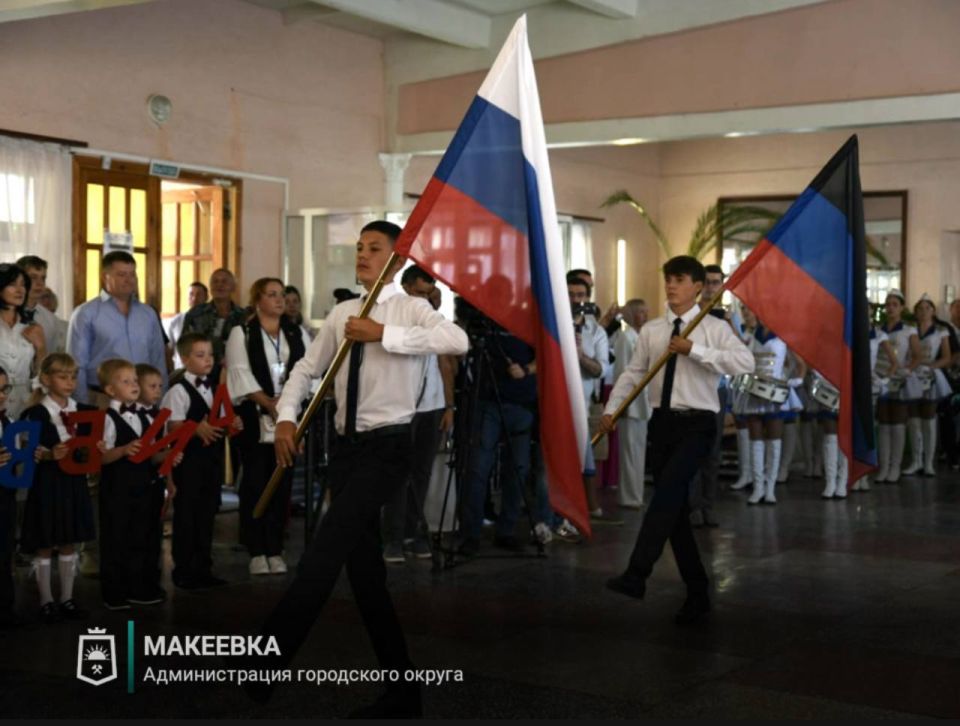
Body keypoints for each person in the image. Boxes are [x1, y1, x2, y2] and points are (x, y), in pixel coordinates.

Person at [246, 221, 468, 716]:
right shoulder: (344, 311)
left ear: (395, 260)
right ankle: (403, 690)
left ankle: (265, 664)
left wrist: (383, 334)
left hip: (390, 448)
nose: (362, 255)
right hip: (345, 451)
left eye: (374, 248)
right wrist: (286, 420)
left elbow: (457, 341)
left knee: (323, 552)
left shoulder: (413, 308)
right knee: (366, 578)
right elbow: (306, 369)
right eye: (358, 248)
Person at [600, 256, 753, 625]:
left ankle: (637, 573)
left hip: (698, 423)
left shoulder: (713, 327)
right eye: (668, 279)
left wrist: (695, 351)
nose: (671, 286)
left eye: (680, 279)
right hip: (662, 424)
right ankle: (698, 591)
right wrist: (612, 409)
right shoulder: (652, 330)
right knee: (676, 514)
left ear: (698, 286)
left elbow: (744, 362)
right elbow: (633, 373)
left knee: (667, 493)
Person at [226, 278, 309, 576]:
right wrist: (268, 402)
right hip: (255, 416)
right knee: (256, 481)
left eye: (282, 295)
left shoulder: (295, 332)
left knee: (281, 483)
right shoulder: (242, 332)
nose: (279, 300)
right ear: (257, 300)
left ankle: (275, 546)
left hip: (288, 416)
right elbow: (240, 374)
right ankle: (256, 547)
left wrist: (286, 403)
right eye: (271, 295)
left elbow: (307, 370)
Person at [383, 266, 455, 563]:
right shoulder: (396, 317)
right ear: (407, 287)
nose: (425, 297)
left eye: (430, 291)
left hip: (433, 405)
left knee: (421, 473)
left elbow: (446, 364)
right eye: (420, 291)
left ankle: (413, 532)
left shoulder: (436, 321)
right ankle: (393, 537)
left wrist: (449, 406)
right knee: (397, 474)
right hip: (401, 406)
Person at [19, 353, 96, 623]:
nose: (69, 382)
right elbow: (27, 452)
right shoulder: (36, 413)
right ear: (46, 379)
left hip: (73, 482)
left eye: (73, 376)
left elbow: (91, 446)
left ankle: (67, 597)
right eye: (62, 376)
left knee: (68, 540)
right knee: (44, 540)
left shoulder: (84, 410)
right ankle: (46, 600)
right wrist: (50, 455)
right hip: (47, 483)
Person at [161, 332, 241, 590]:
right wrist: (194, 428)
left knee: (207, 513)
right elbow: (172, 425)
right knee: (187, 514)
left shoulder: (215, 388)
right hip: (189, 462)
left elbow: (221, 418)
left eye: (209, 355)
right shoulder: (178, 391)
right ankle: (183, 569)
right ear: (184, 359)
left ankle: (203, 567)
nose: (207, 360)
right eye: (199, 355)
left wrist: (232, 423)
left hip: (211, 461)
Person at [96, 358, 167, 608]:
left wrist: (166, 455)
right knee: (116, 538)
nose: (134, 385)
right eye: (125, 382)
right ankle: (114, 591)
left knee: (141, 537)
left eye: (135, 380)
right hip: (117, 489)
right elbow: (101, 458)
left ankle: (139, 587)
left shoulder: (146, 417)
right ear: (110, 390)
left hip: (143, 487)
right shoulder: (107, 419)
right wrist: (124, 450)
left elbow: (151, 455)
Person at [67, 251, 168, 405]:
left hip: (143, 399)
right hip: (101, 398)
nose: (129, 280)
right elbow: (77, 364)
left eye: (132, 274)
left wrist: (161, 400)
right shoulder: (86, 313)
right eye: (121, 275)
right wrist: (82, 405)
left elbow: (158, 359)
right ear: (104, 277)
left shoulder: (148, 314)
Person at [733, 319, 805, 506]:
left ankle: (770, 488)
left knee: (774, 440)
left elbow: (800, 364)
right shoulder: (750, 336)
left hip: (775, 394)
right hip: (754, 392)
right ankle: (758, 487)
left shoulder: (783, 336)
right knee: (755, 440)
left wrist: (796, 381)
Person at [567, 271, 617, 529]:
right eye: (571, 295)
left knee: (586, 458)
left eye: (580, 295)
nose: (576, 300)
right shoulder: (553, 323)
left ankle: (589, 506)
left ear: (587, 298)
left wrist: (579, 356)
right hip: (557, 402)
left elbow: (601, 369)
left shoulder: (596, 331)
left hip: (584, 404)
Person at [689, 264, 729, 526]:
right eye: (708, 282)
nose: (712, 287)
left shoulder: (728, 318)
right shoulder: (689, 313)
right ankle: (692, 506)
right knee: (693, 451)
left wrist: (726, 326)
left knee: (713, 451)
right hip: (693, 388)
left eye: (717, 282)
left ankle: (708, 504)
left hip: (718, 390)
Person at [902, 294, 952, 477]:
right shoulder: (909, 329)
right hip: (913, 373)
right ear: (915, 311)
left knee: (929, 417)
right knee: (913, 417)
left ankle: (929, 462)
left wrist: (932, 367)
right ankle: (916, 460)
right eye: (920, 309)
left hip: (930, 374)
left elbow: (946, 356)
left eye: (927, 308)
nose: (923, 312)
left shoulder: (941, 330)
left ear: (933, 311)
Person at [875, 290, 922, 483]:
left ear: (902, 307)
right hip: (880, 377)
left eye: (895, 304)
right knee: (883, 423)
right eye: (888, 304)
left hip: (899, 378)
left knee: (898, 422)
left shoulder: (909, 330)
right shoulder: (879, 329)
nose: (891, 308)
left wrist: (908, 369)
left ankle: (895, 465)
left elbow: (918, 355)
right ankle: (883, 466)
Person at [613, 299, 650, 509]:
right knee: (629, 452)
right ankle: (629, 496)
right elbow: (622, 373)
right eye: (641, 312)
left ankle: (637, 494)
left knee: (638, 450)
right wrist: (623, 403)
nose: (645, 316)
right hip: (631, 403)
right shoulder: (626, 338)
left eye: (646, 312)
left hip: (643, 401)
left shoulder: (641, 337)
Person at [0, 264, 46, 418]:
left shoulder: (31, 327)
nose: (20, 290)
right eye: (12, 285)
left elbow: (40, 371)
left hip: (24, 401)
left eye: (23, 285)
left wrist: (41, 348)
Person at [182, 269, 246, 369]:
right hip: (201, 371)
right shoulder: (195, 313)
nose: (219, 285)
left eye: (224, 281)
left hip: (233, 371)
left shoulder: (243, 316)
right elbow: (185, 344)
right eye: (215, 281)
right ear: (210, 287)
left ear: (233, 287)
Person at [0, 367, 21, 628]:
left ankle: (5, 610)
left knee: (4, 554)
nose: (2, 396)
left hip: (5, 498)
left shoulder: (9, 423)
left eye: (5, 389)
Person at [16, 255, 63, 354]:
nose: (40, 283)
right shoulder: (5, 315)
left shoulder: (51, 320)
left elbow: (50, 359)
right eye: (33, 278)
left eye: (43, 278)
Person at [168, 282, 209, 370]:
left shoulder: (211, 320)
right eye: (191, 294)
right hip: (180, 370)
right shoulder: (176, 321)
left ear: (206, 297)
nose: (194, 298)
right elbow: (169, 350)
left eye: (199, 294)